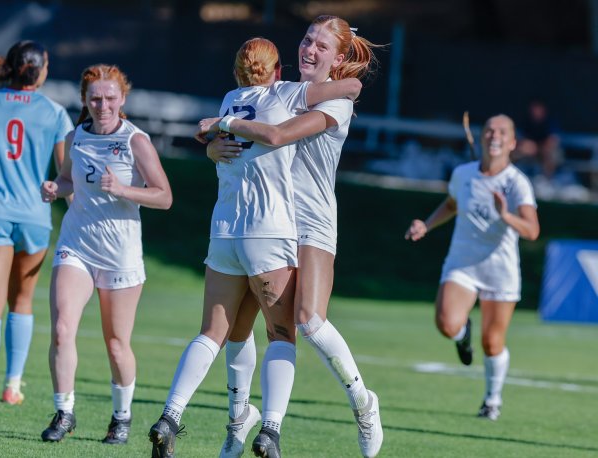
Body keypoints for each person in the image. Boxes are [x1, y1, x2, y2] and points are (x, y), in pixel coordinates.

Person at [148, 37, 362, 458]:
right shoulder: (286, 93)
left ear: (236, 72)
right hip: (268, 232)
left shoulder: (229, 100)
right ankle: (271, 430)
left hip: (224, 231)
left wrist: (215, 130)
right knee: (282, 333)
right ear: (278, 70)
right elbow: (347, 90)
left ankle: (171, 415)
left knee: (214, 332)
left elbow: (218, 129)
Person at [198, 15, 383, 458]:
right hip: (264, 221)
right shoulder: (276, 92)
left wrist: (223, 123)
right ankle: (238, 425)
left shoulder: (335, 103)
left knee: (308, 322)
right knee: (237, 329)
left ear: (338, 58)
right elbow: (236, 149)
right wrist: (211, 146)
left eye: (321, 47)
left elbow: (276, 136)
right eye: (306, 40)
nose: (309, 50)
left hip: (312, 222)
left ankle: (362, 401)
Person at [39, 64, 172, 445]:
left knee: (116, 344)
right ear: (85, 100)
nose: (103, 105)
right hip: (76, 245)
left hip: (121, 255)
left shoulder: (136, 141)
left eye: (110, 98)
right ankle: (64, 412)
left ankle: (122, 416)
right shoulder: (76, 135)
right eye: (95, 98)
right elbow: (67, 179)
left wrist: (124, 189)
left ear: (122, 99)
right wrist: (56, 187)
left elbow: (164, 196)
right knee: (63, 329)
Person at [0, 40, 73, 408]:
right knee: (22, 301)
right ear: (42, 68)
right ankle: (13, 386)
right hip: (34, 217)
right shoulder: (54, 113)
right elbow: (64, 172)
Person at [404, 114, 540, 421]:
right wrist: (426, 225)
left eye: (503, 131)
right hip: (462, 263)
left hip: (499, 269)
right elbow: (452, 204)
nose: (495, 135)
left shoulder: (516, 183)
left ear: (513, 142)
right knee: (447, 324)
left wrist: (507, 216)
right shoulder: (463, 173)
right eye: (490, 130)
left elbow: (532, 231)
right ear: (481, 137)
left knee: (492, 343)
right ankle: (463, 334)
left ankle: (492, 399)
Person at [514, 100, 561, 180]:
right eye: (533, 109)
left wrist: (538, 147)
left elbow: (553, 140)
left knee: (551, 153)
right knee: (516, 151)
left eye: (537, 109)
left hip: (545, 150)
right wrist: (527, 145)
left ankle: (548, 180)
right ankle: (516, 177)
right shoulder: (526, 121)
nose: (535, 111)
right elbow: (521, 139)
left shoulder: (550, 122)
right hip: (530, 151)